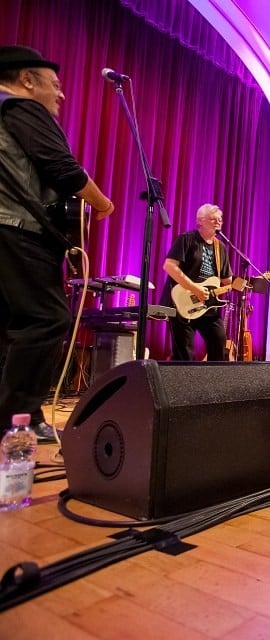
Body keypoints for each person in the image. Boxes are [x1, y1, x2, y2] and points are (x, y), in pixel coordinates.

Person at [0, 46, 114, 441]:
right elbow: (61, 167)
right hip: (19, 230)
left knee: (11, 326)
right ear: (27, 80)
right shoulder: (22, 107)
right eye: (56, 85)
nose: (61, 95)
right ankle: (20, 419)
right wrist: (102, 203)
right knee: (47, 318)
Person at [160, 203, 233, 361]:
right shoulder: (187, 239)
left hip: (208, 306)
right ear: (200, 221)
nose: (218, 222)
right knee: (184, 352)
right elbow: (169, 266)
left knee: (218, 341)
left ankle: (215, 382)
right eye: (213, 219)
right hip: (184, 302)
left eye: (220, 219)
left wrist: (247, 283)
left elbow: (227, 280)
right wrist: (195, 289)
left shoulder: (221, 248)